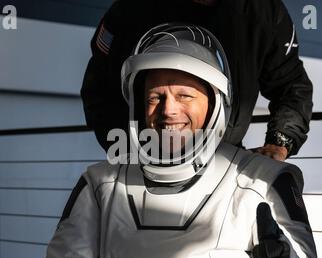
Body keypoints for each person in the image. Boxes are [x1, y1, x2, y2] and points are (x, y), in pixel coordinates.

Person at [38, 23, 321, 258]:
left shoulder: (264, 180)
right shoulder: (101, 183)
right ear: (138, 105)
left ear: (215, 103)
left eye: (184, 95)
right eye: (154, 97)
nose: (168, 110)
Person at [81, 0, 313, 161]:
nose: (171, 109)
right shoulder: (131, 10)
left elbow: (291, 86)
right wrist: (125, 153)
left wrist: (280, 142)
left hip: (224, 163)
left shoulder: (263, 12)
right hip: (143, 161)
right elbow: (98, 88)